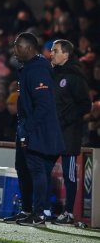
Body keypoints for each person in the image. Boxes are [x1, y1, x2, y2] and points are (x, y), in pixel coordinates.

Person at [3, 32, 65, 227]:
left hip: (39, 131)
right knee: (23, 169)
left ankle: (39, 214)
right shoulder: (28, 68)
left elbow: (44, 105)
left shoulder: (38, 70)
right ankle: (27, 210)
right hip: (26, 128)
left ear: (28, 48)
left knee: (37, 170)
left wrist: (27, 128)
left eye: (17, 46)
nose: (14, 51)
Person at [50, 39, 91, 225]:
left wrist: (65, 120)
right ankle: (41, 209)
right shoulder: (53, 74)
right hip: (52, 132)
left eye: (55, 50)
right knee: (42, 168)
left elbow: (85, 104)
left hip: (68, 134)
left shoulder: (75, 76)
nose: (52, 53)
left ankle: (69, 213)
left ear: (66, 54)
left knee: (69, 174)